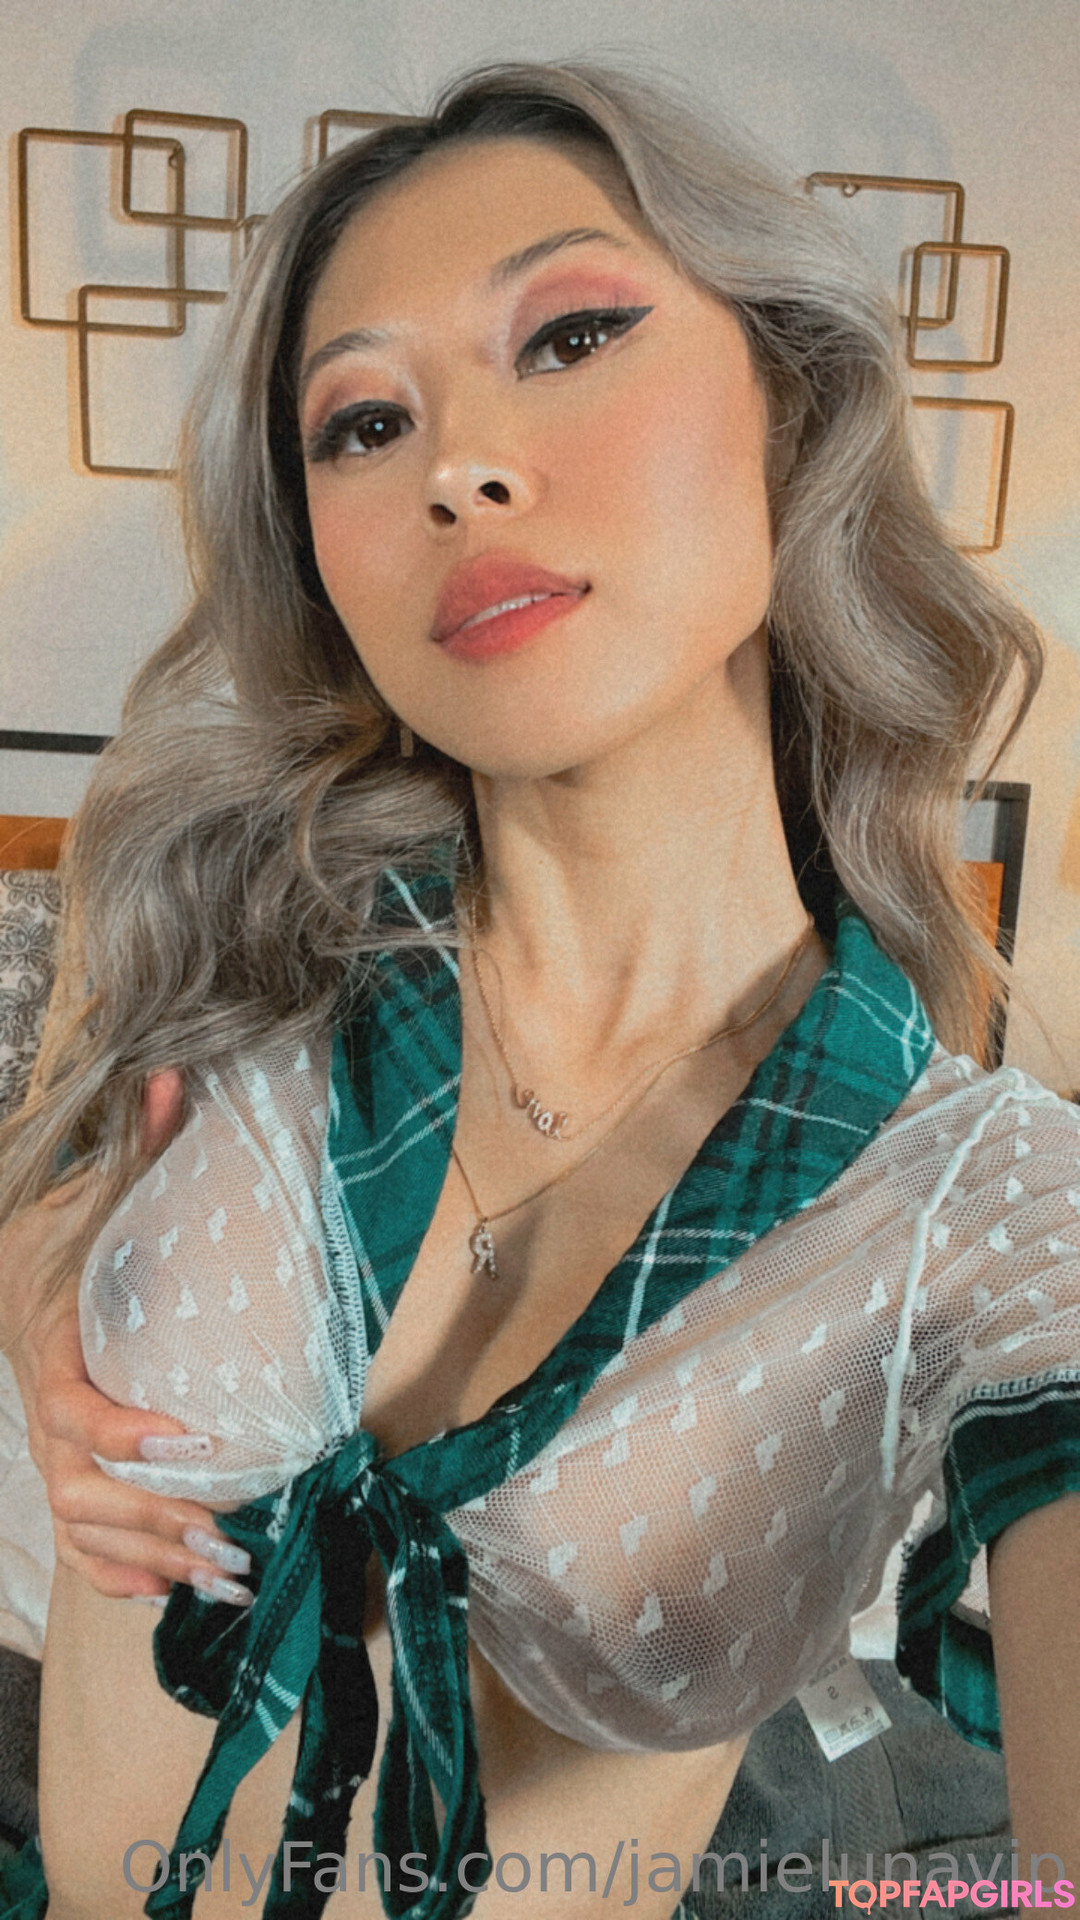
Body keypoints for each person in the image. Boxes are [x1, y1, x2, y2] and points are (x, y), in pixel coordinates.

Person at [0, 55, 1077, 1920]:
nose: (457, 468)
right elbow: (55, 1170)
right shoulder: (218, 921)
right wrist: (44, 1292)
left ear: (788, 403)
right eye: (363, 423)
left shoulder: (980, 1209)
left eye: (571, 335)